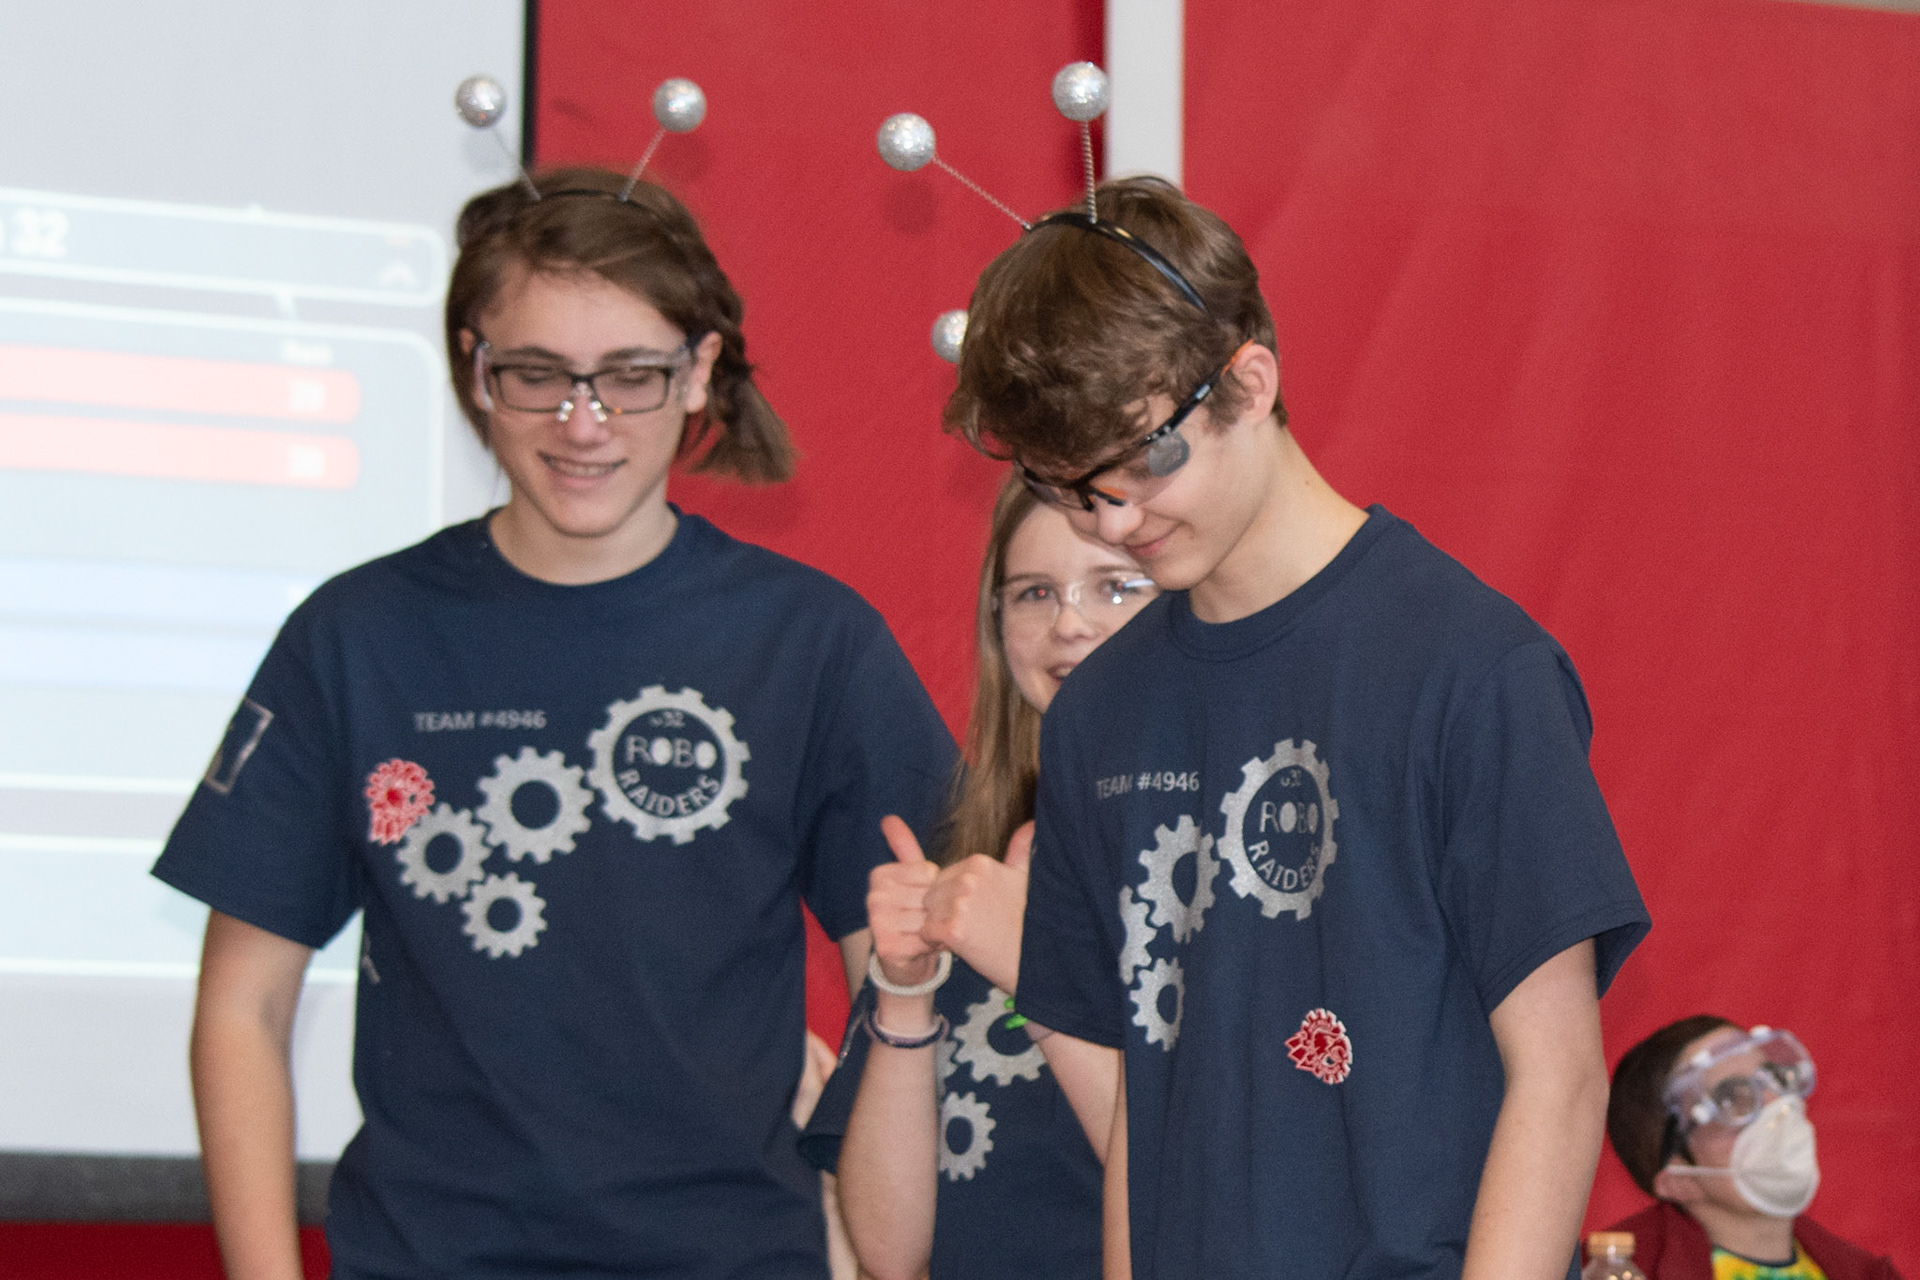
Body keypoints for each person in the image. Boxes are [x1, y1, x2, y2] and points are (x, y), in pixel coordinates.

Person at [152, 167, 955, 1280]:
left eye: (629, 376)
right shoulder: (355, 636)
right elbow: (243, 1004)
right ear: (476, 370)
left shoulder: (813, 645)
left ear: (699, 372)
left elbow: (905, 992)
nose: (584, 423)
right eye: (539, 375)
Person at [942, 174, 1652, 1279]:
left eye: (1146, 459)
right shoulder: (1097, 718)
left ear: (1248, 382)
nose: (1116, 521)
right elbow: (1143, 1106)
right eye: (1073, 488)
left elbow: (1558, 1076)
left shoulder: (1468, 667)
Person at [799, 476, 1154, 1280]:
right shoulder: (966, 858)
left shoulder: (1232, 863)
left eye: (1115, 587)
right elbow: (891, 1251)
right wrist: (904, 994)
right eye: (1034, 593)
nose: (1069, 623)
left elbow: (1212, 1194)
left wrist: (1035, 967)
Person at [1604, 1016, 1906, 1280]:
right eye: (1732, 1100)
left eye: (1773, 1077)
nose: (1777, 1102)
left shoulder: (1865, 1274)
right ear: (1677, 1180)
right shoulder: (1611, 1273)